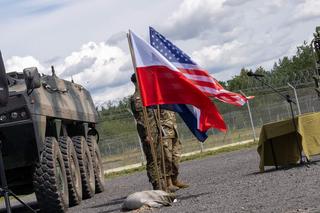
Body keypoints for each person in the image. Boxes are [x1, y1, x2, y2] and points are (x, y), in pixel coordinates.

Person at [129, 73, 163, 190]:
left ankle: (162, 183)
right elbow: (141, 120)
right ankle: (157, 186)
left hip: (155, 131)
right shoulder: (137, 98)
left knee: (158, 157)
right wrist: (147, 135)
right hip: (149, 134)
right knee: (153, 160)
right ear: (136, 82)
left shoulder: (145, 95)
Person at [158, 109, 189, 191]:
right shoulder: (156, 100)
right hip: (164, 133)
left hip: (174, 131)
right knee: (166, 158)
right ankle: (168, 183)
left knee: (176, 157)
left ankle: (175, 180)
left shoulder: (169, 100)